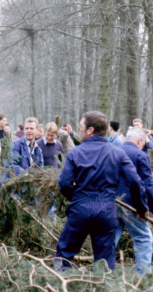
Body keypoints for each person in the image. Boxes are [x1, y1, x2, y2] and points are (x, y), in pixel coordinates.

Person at [54, 111, 147, 271]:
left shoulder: (75, 153)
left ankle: (59, 289)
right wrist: (141, 207)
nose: (78, 129)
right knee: (104, 263)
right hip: (106, 212)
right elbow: (135, 182)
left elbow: (64, 183)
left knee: (64, 256)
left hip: (80, 210)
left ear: (90, 130)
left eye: (80, 126)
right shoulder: (118, 153)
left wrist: (78, 198)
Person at [114, 127, 153, 274]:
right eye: (143, 143)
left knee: (110, 240)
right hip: (132, 207)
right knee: (143, 238)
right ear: (139, 140)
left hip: (112, 204)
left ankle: (102, 274)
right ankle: (143, 278)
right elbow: (146, 185)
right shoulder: (140, 155)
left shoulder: (114, 152)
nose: (143, 146)